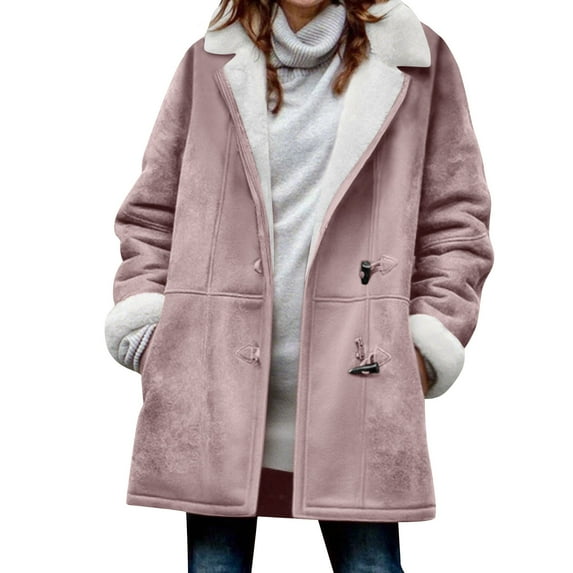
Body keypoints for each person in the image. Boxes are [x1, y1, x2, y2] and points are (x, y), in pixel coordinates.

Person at [104, 0, 494, 571]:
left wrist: (426, 342)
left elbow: (456, 221)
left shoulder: (417, 60)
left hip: (360, 383)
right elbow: (151, 213)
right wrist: (149, 328)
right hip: (213, 385)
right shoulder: (210, 61)